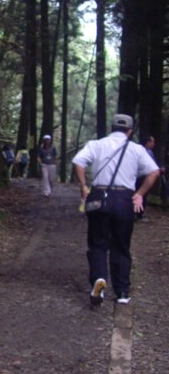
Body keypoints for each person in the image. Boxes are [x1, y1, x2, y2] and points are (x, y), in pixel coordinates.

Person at [72, 114, 160, 306]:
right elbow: (154, 171)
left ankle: (99, 279)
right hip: (124, 198)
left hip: (99, 197)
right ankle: (121, 292)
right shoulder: (137, 149)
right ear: (130, 130)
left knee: (97, 243)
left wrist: (83, 186)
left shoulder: (96, 144)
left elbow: (78, 162)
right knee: (121, 245)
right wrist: (139, 194)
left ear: (111, 127)